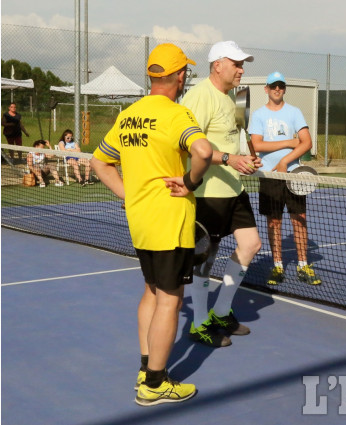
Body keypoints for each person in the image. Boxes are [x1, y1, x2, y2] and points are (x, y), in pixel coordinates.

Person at [90, 43, 214, 406]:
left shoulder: (129, 114)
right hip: (170, 221)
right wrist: (190, 183)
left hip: (141, 221)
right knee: (171, 301)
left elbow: (100, 162)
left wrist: (128, 195)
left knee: (152, 291)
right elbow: (203, 152)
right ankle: (156, 384)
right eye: (184, 73)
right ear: (180, 76)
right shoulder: (178, 114)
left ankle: (147, 368)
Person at [180, 40, 262, 348]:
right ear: (218, 66)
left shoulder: (230, 99)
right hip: (206, 192)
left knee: (251, 244)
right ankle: (199, 324)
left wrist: (245, 158)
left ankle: (221, 311)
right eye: (237, 64)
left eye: (243, 65)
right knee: (205, 258)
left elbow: (229, 141)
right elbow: (192, 145)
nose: (241, 70)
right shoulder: (199, 96)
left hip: (233, 187)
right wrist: (229, 159)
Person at [249, 71, 321, 286]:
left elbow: (306, 142)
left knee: (300, 220)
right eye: (273, 86)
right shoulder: (259, 115)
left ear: (284, 89)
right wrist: (289, 142)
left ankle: (302, 264)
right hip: (269, 176)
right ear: (266, 89)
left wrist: (285, 161)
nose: (277, 89)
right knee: (274, 222)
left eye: (280, 86)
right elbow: (257, 145)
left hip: (294, 176)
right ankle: (278, 265)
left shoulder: (294, 112)